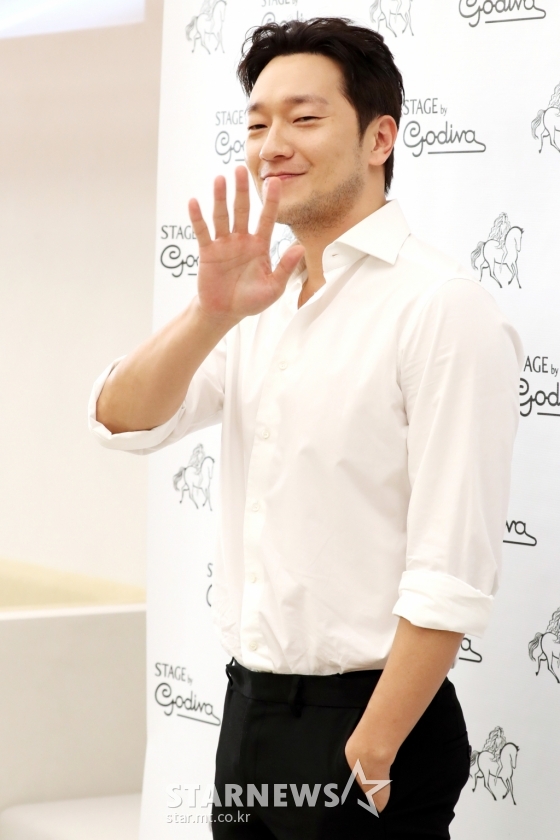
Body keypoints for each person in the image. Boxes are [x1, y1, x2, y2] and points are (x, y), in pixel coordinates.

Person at [89, 17, 523, 839]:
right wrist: (211, 313)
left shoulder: (440, 307)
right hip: (248, 710)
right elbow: (124, 422)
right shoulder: (258, 301)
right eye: (257, 124)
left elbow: (451, 570)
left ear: (379, 138)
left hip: (370, 724)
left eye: (304, 117)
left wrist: (374, 748)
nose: (272, 145)